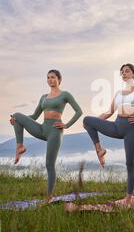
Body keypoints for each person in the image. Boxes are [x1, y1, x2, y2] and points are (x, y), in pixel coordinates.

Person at [82, 63, 134, 203]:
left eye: (127, 71)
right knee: (86, 120)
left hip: (132, 128)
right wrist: (95, 123)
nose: (124, 73)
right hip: (116, 126)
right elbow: (109, 112)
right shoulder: (118, 94)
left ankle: (128, 198)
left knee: (130, 164)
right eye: (122, 72)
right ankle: (99, 150)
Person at [9, 70, 83, 203]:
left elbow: (79, 111)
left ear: (59, 79)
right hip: (42, 128)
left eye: (53, 77)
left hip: (55, 131)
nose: (50, 80)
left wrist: (66, 125)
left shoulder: (65, 94)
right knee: (16, 116)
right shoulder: (43, 97)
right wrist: (17, 121)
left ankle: (49, 197)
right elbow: (34, 116)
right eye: (48, 78)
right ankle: (20, 146)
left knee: (49, 164)